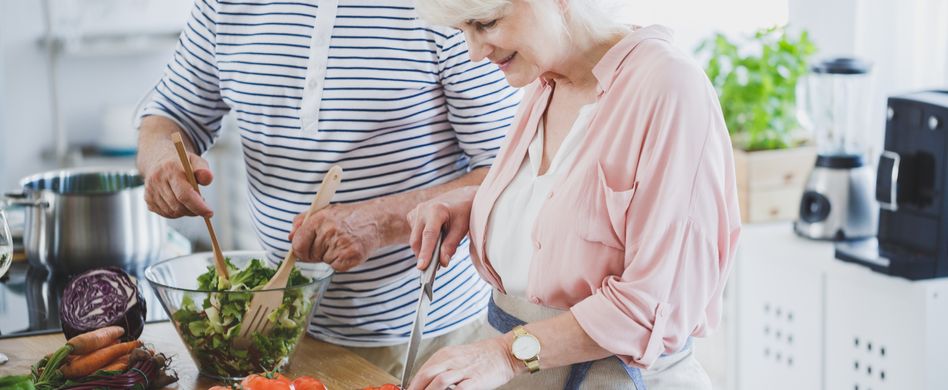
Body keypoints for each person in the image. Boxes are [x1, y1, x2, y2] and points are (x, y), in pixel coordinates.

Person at [134, 0, 521, 376]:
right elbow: (169, 114)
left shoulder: (445, 6)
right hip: (282, 327)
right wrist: (162, 158)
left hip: (426, 336)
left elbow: (511, 168)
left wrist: (380, 222)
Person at [404, 0, 741, 388]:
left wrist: (506, 353)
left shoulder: (669, 85)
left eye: (486, 23)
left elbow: (652, 306)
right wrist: (481, 205)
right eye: (465, 31)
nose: (475, 53)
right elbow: (572, 209)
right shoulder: (546, 79)